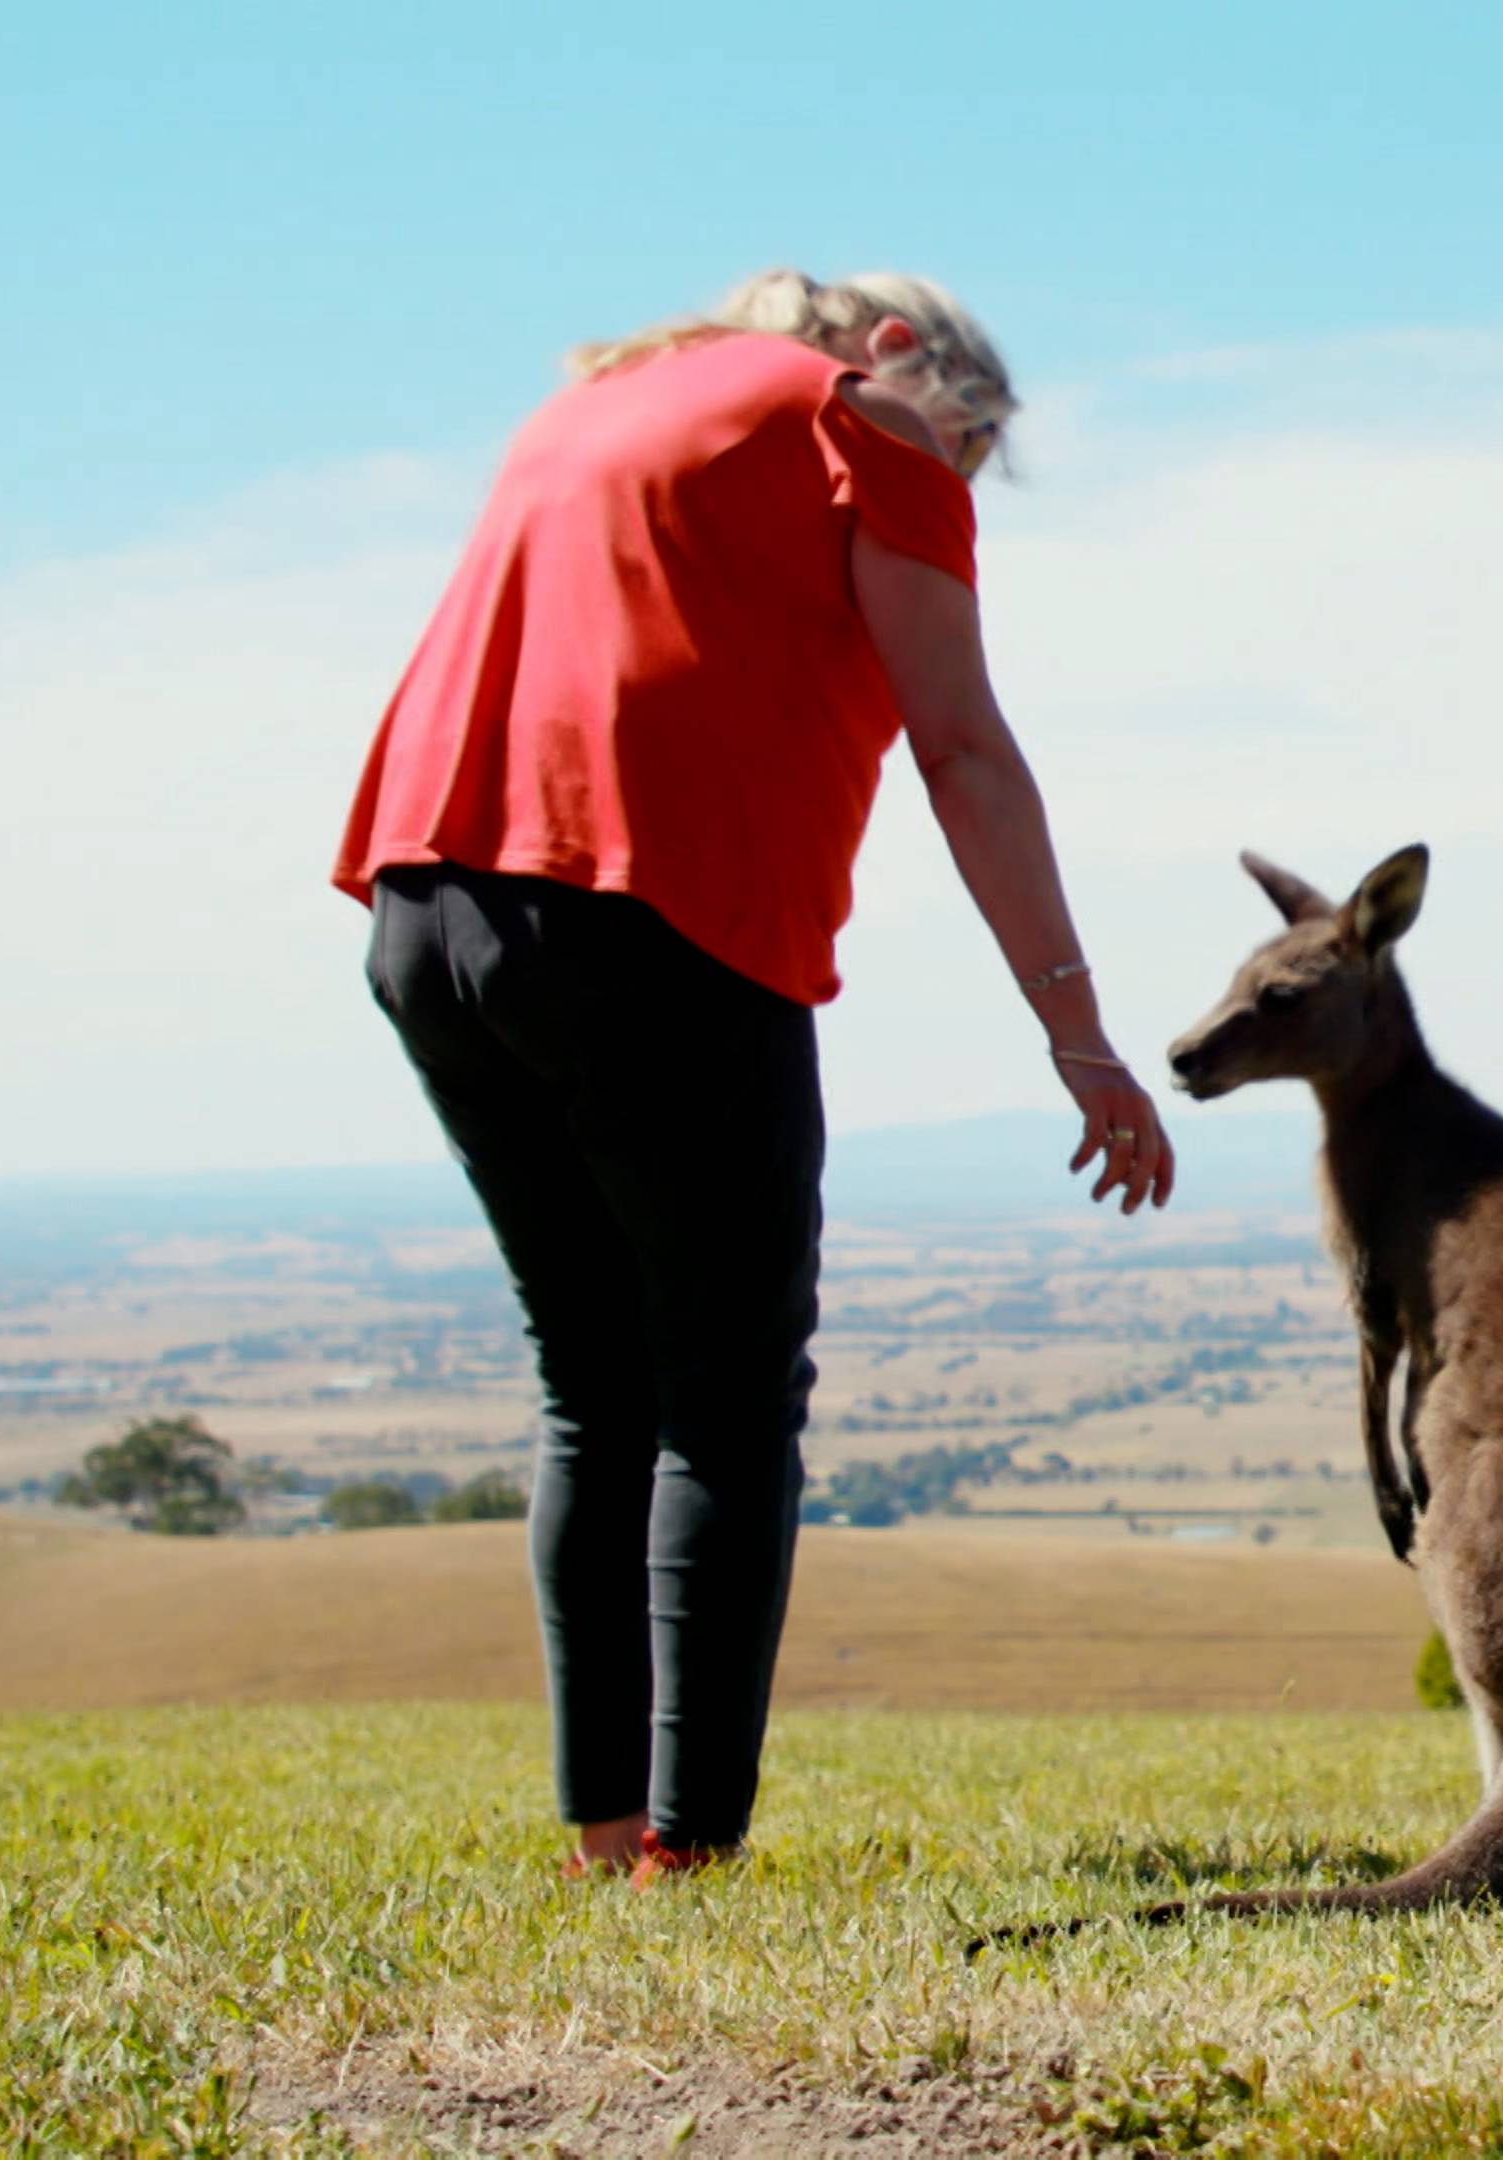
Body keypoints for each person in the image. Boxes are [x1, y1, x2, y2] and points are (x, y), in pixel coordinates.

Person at [332, 268, 1174, 1884]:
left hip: (425, 908)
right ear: (903, 352)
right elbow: (968, 750)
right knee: (724, 1399)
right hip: (646, 921)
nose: (962, 492)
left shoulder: (587, 410)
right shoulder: (864, 425)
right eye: (975, 456)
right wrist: (1082, 1039)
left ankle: (602, 1839)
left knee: (595, 1384)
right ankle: (686, 1857)